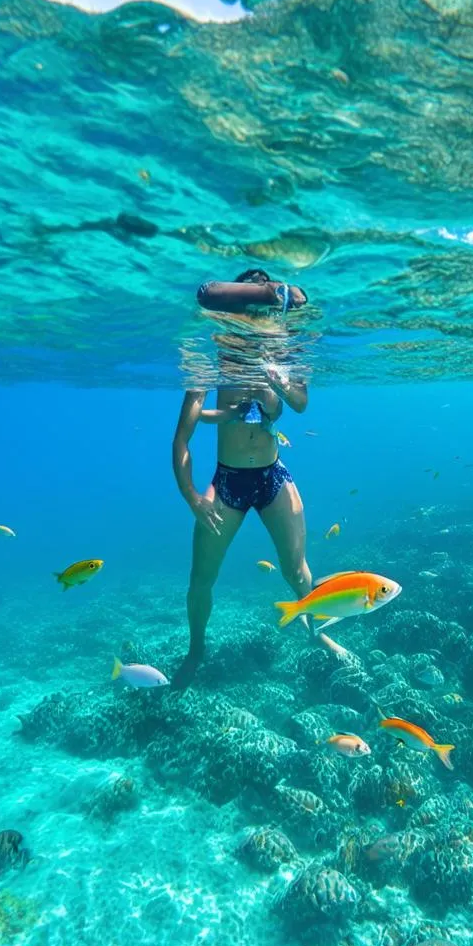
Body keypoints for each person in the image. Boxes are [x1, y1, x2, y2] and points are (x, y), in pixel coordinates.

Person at [171, 269, 310, 688]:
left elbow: (300, 403)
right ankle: (197, 648)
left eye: (261, 315)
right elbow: (181, 439)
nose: (253, 325)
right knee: (201, 579)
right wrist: (193, 497)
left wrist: (278, 379)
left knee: (296, 570)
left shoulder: (281, 354)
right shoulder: (213, 358)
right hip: (228, 481)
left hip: (272, 474)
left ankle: (316, 632)